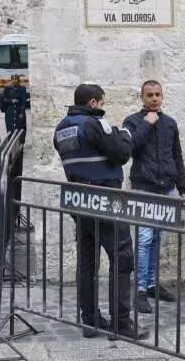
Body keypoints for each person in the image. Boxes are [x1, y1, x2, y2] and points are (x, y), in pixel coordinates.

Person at [53, 83, 149, 340]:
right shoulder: (93, 124)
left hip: (79, 202)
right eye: (102, 103)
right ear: (93, 103)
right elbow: (122, 153)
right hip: (104, 200)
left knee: (87, 262)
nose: (102, 107)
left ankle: (90, 320)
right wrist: (124, 134)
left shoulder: (61, 129)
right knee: (122, 256)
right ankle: (121, 323)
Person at [123, 80, 185, 314]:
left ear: (163, 96)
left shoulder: (170, 123)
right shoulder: (132, 121)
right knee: (144, 238)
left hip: (166, 188)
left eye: (157, 94)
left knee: (157, 238)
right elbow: (129, 148)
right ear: (141, 97)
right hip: (144, 186)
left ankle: (151, 284)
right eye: (149, 95)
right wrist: (146, 124)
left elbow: (176, 155)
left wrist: (183, 187)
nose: (154, 99)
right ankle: (140, 289)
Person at [1, 74, 27, 143]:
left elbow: (23, 101)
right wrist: (11, 101)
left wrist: (22, 112)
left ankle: (20, 144)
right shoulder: (7, 88)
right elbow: (3, 99)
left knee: (20, 129)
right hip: (10, 112)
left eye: (16, 79)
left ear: (18, 80)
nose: (14, 80)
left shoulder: (22, 88)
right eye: (13, 79)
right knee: (10, 129)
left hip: (19, 111)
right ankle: (10, 143)